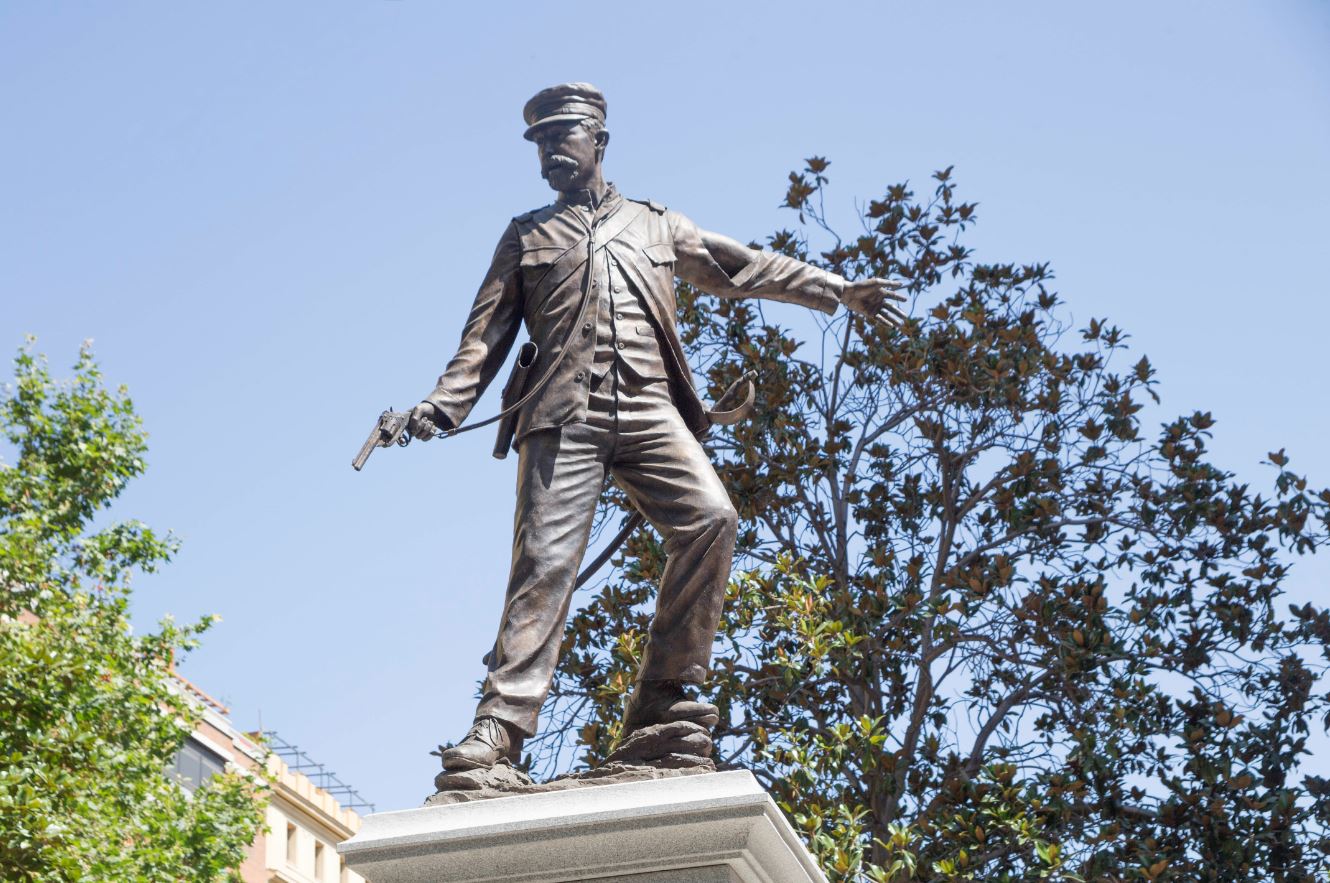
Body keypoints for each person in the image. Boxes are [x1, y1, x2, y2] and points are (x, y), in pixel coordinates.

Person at [409, 83, 906, 771]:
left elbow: (743, 267)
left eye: (563, 138)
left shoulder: (657, 225)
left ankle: (666, 698)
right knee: (544, 567)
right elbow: (482, 339)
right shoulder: (526, 236)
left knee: (711, 518)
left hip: (648, 408)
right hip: (562, 416)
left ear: (599, 143)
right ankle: (499, 727)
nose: (551, 152)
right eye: (542, 144)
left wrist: (835, 289)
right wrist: (441, 405)